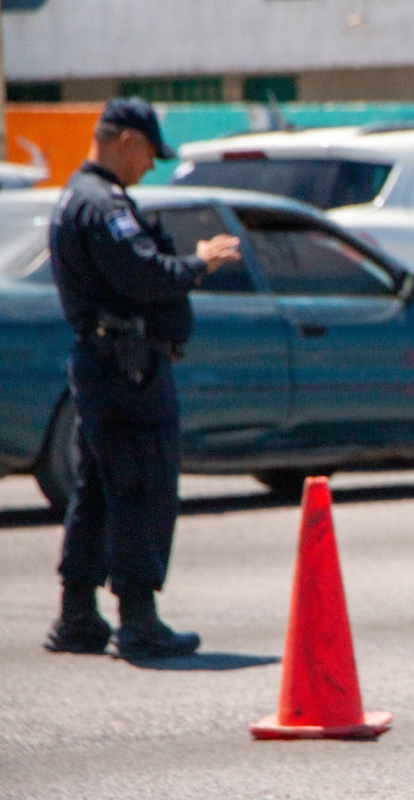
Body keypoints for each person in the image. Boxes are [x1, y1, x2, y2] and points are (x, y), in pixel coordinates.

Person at [44, 97, 241, 659]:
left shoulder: (74, 197)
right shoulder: (104, 204)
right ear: (126, 141)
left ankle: (78, 614)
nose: (149, 167)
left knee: (98, 490)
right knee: (141, 485)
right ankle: (138, 619)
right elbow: (144, 274)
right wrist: (199, 263)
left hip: (103, 364)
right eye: (148, 154)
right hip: (125, 370)